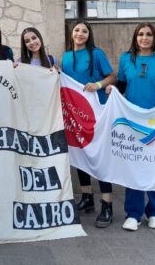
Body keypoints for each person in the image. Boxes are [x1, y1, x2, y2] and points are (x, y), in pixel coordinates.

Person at [114, 22, 155, 232]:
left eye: (149, 34)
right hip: (133, 121)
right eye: (141, 34)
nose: (144, 38)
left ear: (154, 38)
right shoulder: (126, 59)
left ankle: (154, 213)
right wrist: (112, 91)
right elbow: (121, 85)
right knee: (134, 165)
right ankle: (133, 214)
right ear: (135, 37)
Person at [61, 20, 117, 228]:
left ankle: (107, 204)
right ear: (72, 33)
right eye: (77, 30)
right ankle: (87, 198)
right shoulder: (66, 56)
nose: (80, 33)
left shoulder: (96, 54)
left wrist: (99, 84)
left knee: (99, 157)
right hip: (74, 114)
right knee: (80, 154)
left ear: (88, 35)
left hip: (96, 113)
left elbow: (112, 76)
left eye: (84, 31)